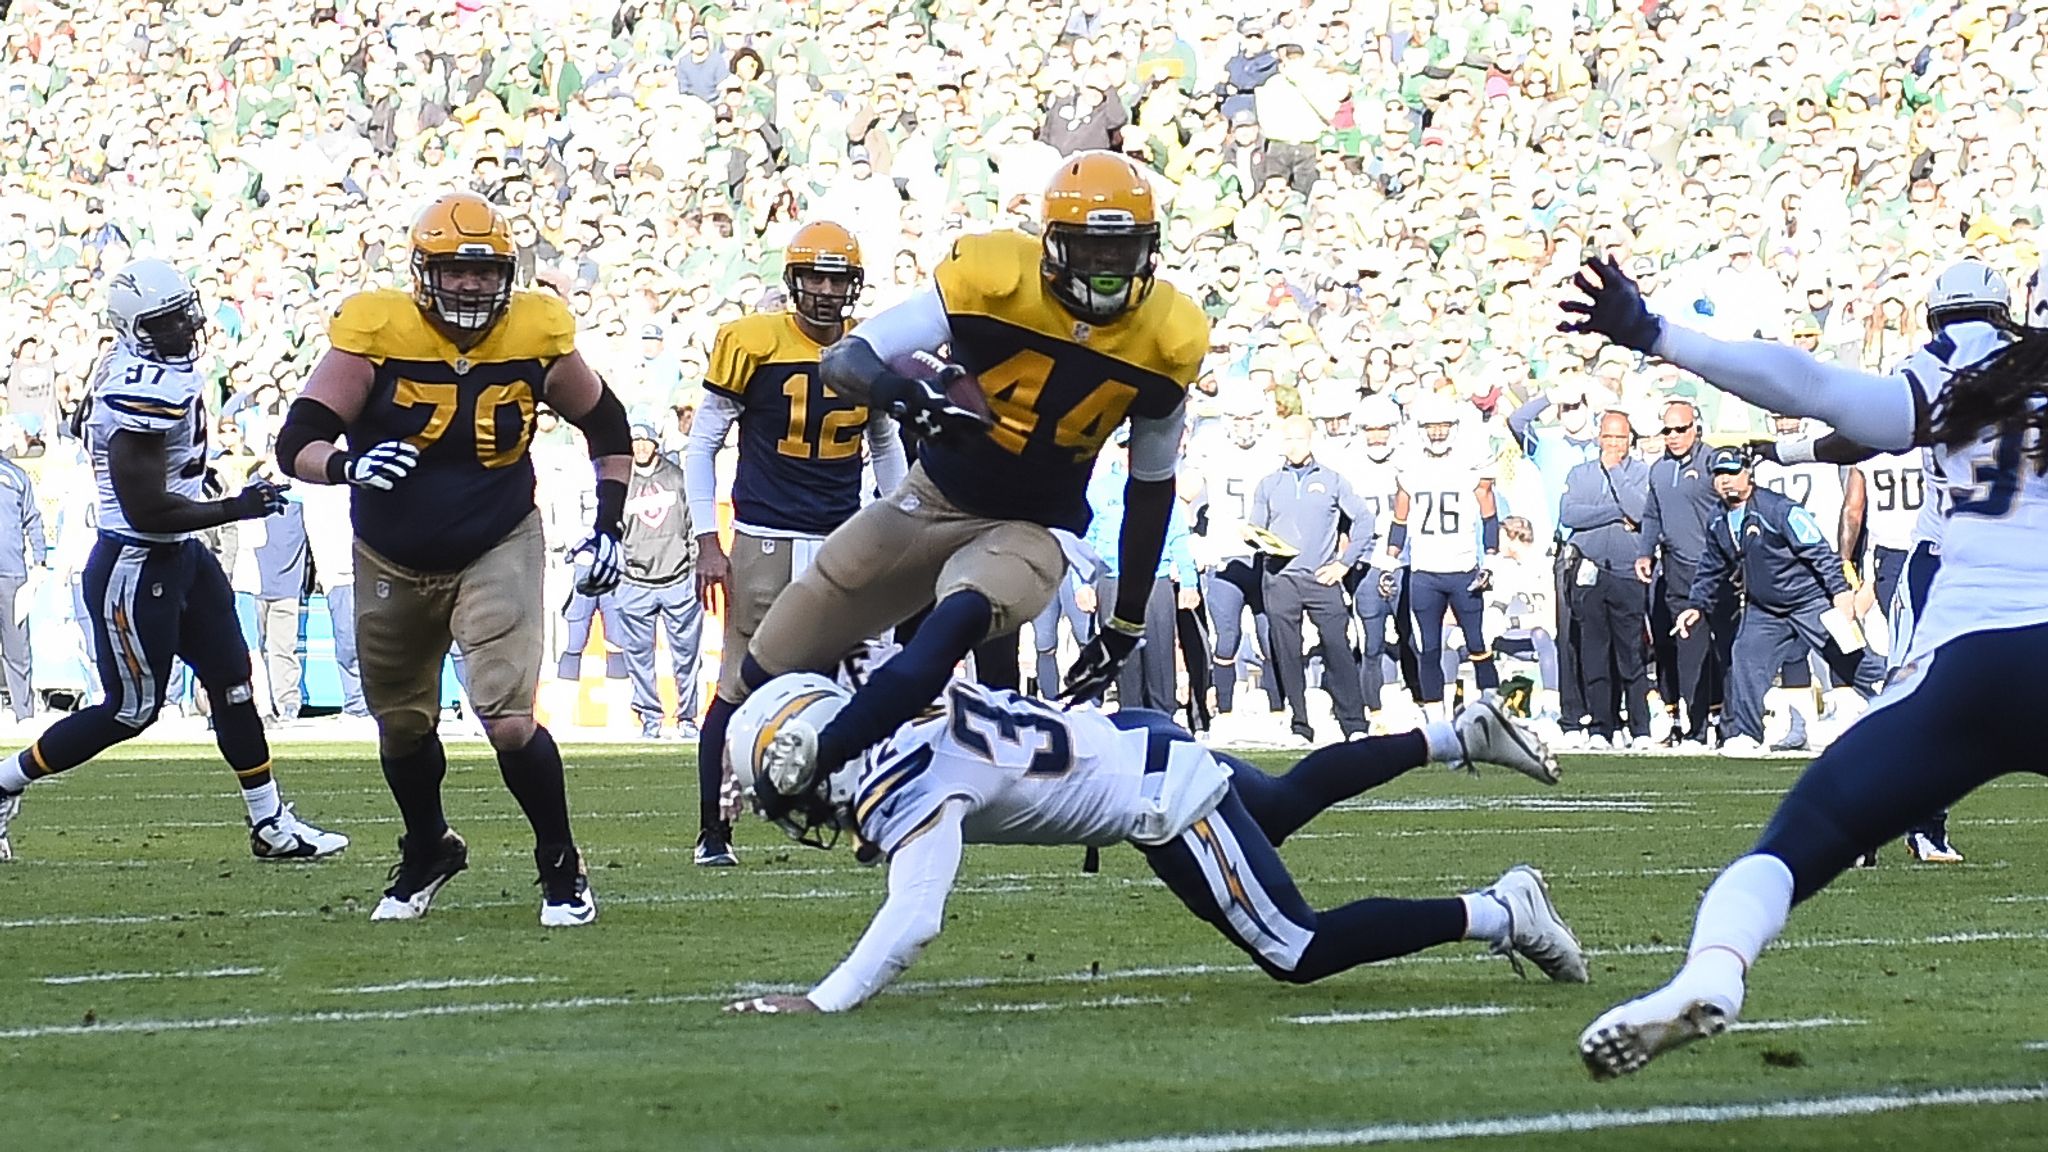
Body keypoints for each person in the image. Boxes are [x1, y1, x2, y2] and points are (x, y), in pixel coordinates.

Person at [1560, 255, 2035, 1078]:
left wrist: (1656, 334)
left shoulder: (1951, 375)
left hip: (1973, 659)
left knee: (1798, 841)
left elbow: (1814, 387)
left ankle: (1712, 969)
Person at [733, 152, 1209, 801]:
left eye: (1121, 251)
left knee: (958, 612)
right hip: (936, 497)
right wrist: (904, 394)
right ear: (1050, 246)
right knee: (771, 655)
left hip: (1037, 527)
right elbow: (847, 358)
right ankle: (727, 799)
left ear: (1149, 251)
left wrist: (1127, 621)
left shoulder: (1168, 337)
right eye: (1089, 251)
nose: (1106, 271)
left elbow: (1151, 484)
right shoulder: (992, 278)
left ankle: (829, 755)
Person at [720, 672, 1581, 1015]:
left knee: (1297, 947)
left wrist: (825, 998)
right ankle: (1457, 737)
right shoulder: (893, 694)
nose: (792, 811)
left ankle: (1503, 912)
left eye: (782, 792)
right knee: (1276, 805)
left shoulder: (910, 787)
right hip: (1129, 733)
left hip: (1153, 790)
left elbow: (914, 920)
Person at [275, 192, 632, 926]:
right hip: (390, 550)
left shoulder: (537, 329)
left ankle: (560, 863)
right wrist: (344, 468)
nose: (471, 284)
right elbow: (298, 438)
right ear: (421, 271)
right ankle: (429, 844)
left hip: (497, 537)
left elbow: (606, 421)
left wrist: (611, 524)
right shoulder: (376, 326)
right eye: (454, 269)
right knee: (402, 724)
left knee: (507, 717)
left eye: (484, 270)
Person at [0, 259, 345, 863]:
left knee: (234, 682)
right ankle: (3, 784)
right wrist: (237, 506)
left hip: (180, 558)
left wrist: (199, 480)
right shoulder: (139, 386)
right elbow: (146, 511)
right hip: (137, 563)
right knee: (131, 711)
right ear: (134, 328)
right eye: (168, 321)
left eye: (186, 312)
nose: (186, 327)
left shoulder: (147, 369)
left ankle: (269, 825)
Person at [1751, 260, 2014, 861]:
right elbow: (1866, 437)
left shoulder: (1947, 371)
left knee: (1930, 696)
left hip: (1976, 557)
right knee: (1917, 693)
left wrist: (1788, 451)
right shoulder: (1997, 372)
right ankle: (1884, 815)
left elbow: (1862, 434)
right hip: (1952, 555)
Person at [684, 220, 909, 867]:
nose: (825, 290)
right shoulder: (751, 341)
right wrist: (708, 537)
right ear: (793, 279)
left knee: (867, 680)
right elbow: (703, 443)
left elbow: (886, 445)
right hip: (767, 538)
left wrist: (897, 524)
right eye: (814, 276)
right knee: (738, 685)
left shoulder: (870, 350)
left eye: (837, 278)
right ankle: (714, 828)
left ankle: (873, 814)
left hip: (845, 537)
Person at [1673, 446, 1883, 755]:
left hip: (1810, 600)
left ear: (1749, 473)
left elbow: (1817, 549)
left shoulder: (1779, 509)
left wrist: (1839, 591)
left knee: (1849, 656)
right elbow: (1712, 564)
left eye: (1732, 473)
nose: (1726, 481)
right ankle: (1747, 734)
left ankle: (1898, 698)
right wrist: (1695, 604)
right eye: (1719, 475)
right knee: (1746, 657)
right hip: (1765, 609)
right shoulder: (1718, 519)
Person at [1248, 415, 1372, 742]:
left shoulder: (1332, 480)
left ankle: (1354, 723)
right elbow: (1256, 529)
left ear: (1311, 440)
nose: (1293, 446)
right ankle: (1300, 724)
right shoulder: (1268, 484)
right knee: (1287, 652)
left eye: (1299, 439)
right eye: (1288, 440)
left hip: (1322, 578)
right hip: (1279, 579)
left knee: (1338, 648)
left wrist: (1344, 565)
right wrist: (1254, 538)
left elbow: (1363, 521)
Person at [1384, 392, 1501, 723]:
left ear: (1454, 427)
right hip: (1425, 571)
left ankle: (1492, 710)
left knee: (1478, 641)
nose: (1437, 433)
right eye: (1431, 427)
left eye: (1443, 426)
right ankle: (1436, 720)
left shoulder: (1469, 464)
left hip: (1464, 568)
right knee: (1429, 646)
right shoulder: (1410, 467)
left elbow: (1490, 515)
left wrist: (1491, 562)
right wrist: (1389, 564)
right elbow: (1400, 520)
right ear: (1421, 429)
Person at [1557, 411, 1651, 748]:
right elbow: (1570, 515)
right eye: (1608, 437)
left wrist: (1615, 475)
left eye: (1620, 438)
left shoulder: (1643, 473)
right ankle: (1601, 727)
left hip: (1628, 571)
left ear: (1630, 440)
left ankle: (1640, 727)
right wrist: (1614, 511)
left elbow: (1640, 512)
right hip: (1589, 568)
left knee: (1631, 654)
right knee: (1594, 652)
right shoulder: (1579, 473)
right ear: (1599, 437)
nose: (1613, 444)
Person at [1635, 399, 1720, 748]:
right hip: (1678, 569)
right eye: (1667, 430)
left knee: (1725, 648)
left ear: (1695, 428)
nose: (1673, 437)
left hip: (1716, 569)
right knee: (1687, 649)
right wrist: (1645, 551)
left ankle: (1729, 722)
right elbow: (1652, 515)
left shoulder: (1713, 461)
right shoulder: (1658, 470)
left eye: (1680, 429)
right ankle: (1695, 727)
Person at [614, 420, 701, 742]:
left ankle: (688, 718)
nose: (640, 446)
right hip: (635, 582)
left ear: (655, 443)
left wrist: (691, 562)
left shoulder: (677, 477)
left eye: (645, 440)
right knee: (639, 658)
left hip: (678, 579)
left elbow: (694, 522)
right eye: (634, 440)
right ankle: (650, 718)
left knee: (687, 657)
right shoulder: (621, 481)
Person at [0, 448, 45, 722]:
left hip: (13, 575)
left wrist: (40, 560)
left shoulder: (16, 476)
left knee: (17, 648)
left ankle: (23, 714)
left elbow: (33, 520)